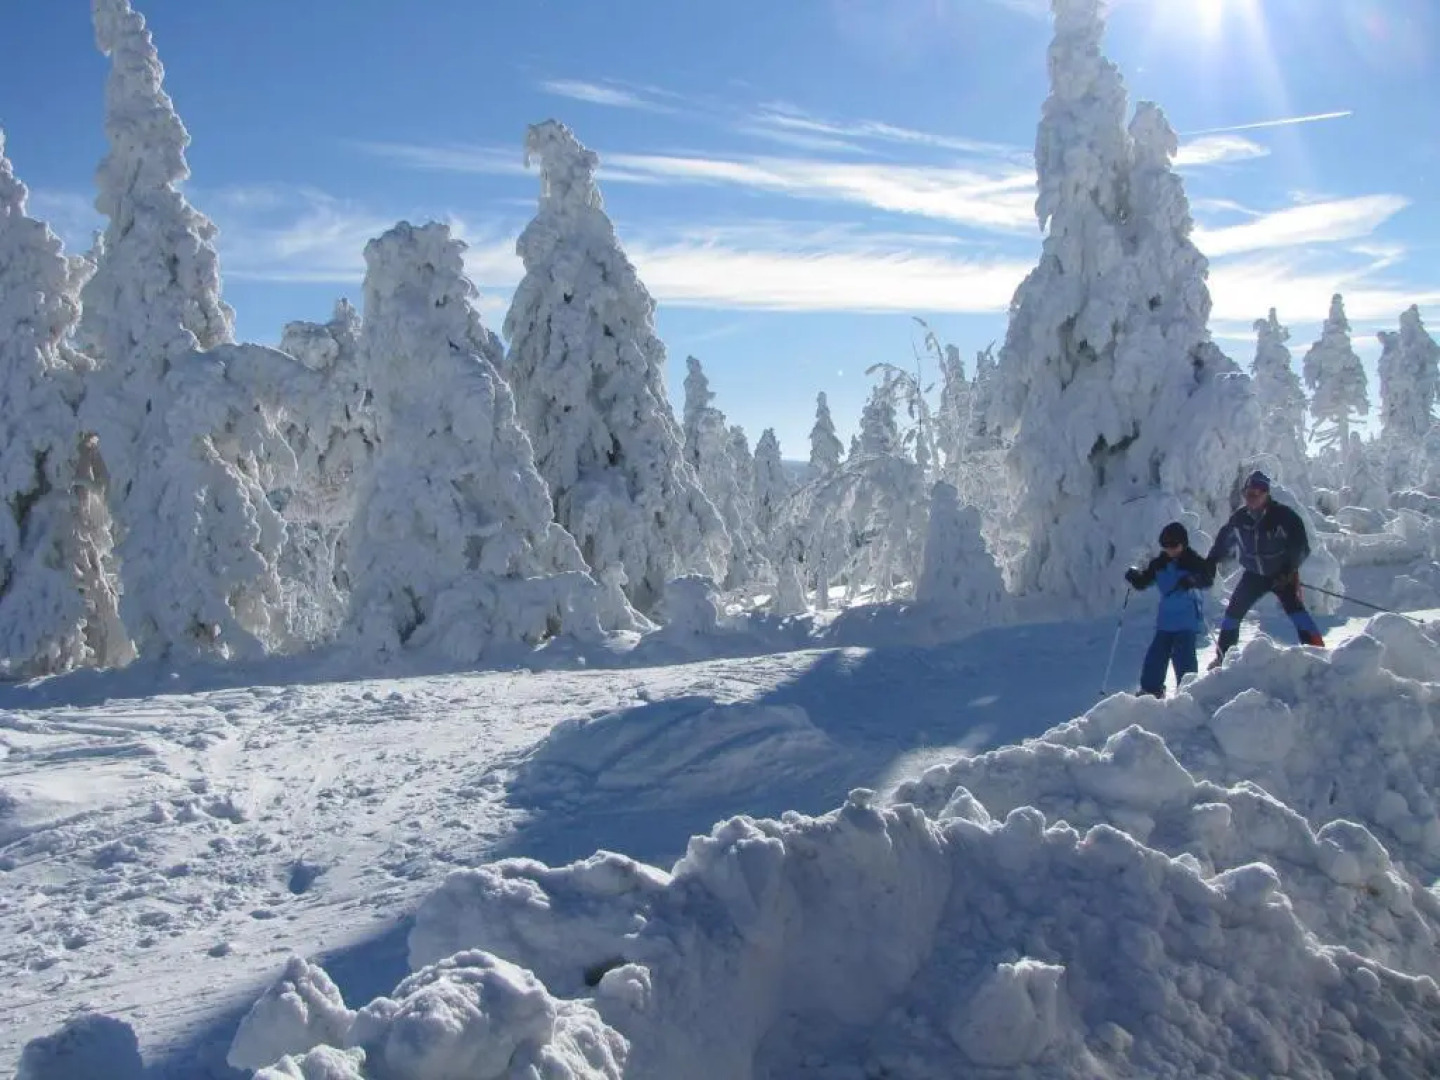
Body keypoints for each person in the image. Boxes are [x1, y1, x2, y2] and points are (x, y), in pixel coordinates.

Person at [1204, 470, 1325, 669]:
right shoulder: (1240, 518)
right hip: (1253, 575)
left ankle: (1318, 653)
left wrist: (1288, 570)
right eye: (1247, 494)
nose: (1250, 499)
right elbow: (1224, 541)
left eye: (1255, 494)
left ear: (1266, 494)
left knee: (1297, 612)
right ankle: (1223, 658)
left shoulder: (1284, 517)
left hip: (1282, 575)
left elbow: (1301, 546)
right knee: (1233, 614)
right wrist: (1211, 560)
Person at [1124, 521, 1214, 698]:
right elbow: (1144, 582)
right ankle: (1150, 692)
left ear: (1183, 543)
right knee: (1155, 657)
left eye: (1174, 545)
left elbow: (1207, 579)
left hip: (1186, 621)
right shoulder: (1159, 564)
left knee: (1184, 658)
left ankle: (1189, 693)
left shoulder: (1193, 562)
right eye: (1165, 545)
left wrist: (1193, 580)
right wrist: (1135, 577)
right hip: (1166, 621)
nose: (1170, 549)